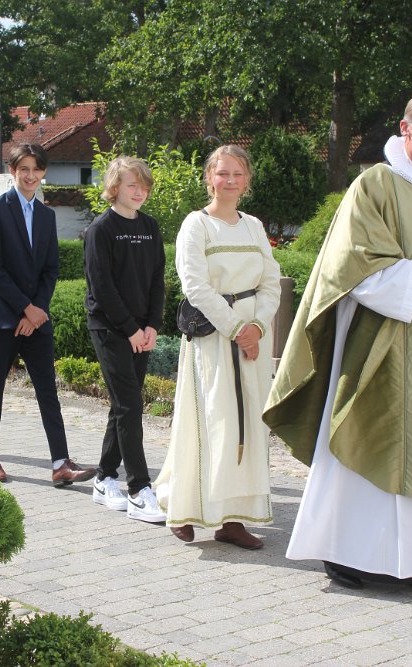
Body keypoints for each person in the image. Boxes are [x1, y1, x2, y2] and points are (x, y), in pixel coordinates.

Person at [262, 89, 412, 601]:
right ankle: (350, 556)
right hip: (388, 344)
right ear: (405, 128)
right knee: (373, 438)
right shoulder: (375, 184)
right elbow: (349, 266)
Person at [154, 145, 281, 549]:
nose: (230, 180)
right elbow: (195, 285)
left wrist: (257, 327)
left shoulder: (254, 226)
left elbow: (271, 282)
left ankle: (232, 519)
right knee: (213, 421)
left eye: (237, 174)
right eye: (222, 173)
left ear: (247, 180)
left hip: (254, 338)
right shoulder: (196, 225)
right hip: (215, 336)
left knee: (248, 425)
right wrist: (236, 329)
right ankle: (185, 507)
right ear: (209, 177)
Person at [0, 143, 97, 487]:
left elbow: (50, 270)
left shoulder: (46, 216)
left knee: (47, 391)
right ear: (13, 171)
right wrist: (24, 308)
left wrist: (37, 311)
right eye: (24, 169)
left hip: (36, 320)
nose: (30, 175)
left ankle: (61, 463)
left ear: (43, 172)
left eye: (36, 169)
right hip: (1, 318)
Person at [84, 156, 167, 523]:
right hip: (110, 329)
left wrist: (152, 326)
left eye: (144, 186)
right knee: (130, 405)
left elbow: (157, 280)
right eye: (133, 185)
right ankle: (138, 489)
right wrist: (130, 329)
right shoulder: (101, 229)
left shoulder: (150, 227)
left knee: (123, 406)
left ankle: (104, 478)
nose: (139, 192)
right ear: (115, 187)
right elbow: (101, 287)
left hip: (141, 332)